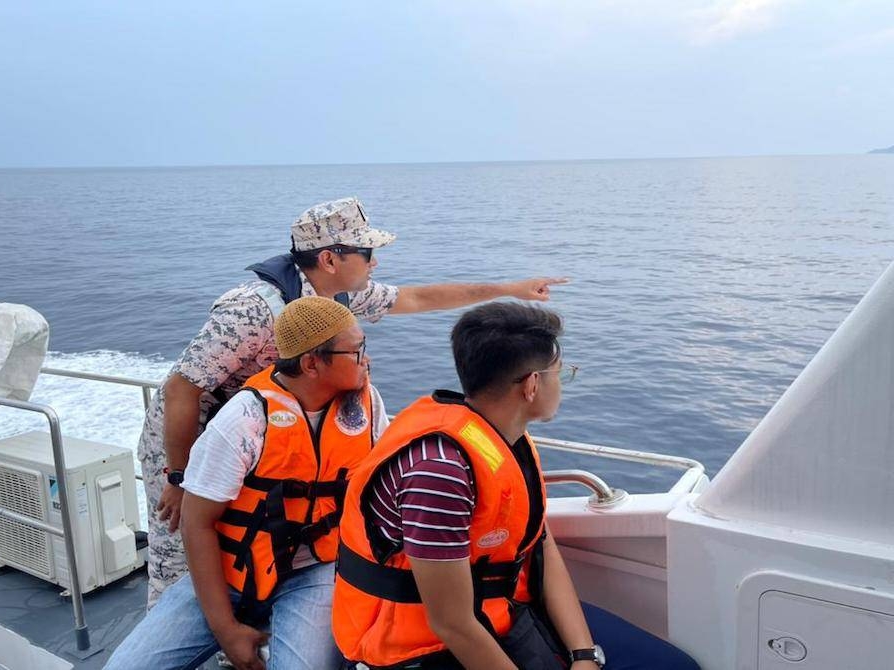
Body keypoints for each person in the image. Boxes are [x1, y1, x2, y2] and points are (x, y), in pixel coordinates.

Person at [140, 196, 567, 607]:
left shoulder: (339, 296)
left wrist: (512, 289)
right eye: (367, 251)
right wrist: (178, 476)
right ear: (329, 259)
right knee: (181, 562)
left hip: (263, 436)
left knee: (255, 542)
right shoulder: (252, 309)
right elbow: (182, 389)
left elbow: (418, 298)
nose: (375, 262)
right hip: (190, 440)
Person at [332, 303, 699, 670]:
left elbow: (539, 544)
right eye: (561, 373)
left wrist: (584, 655)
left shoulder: (505, 439)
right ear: (532, 385)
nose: (562, 383)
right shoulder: (439, 473)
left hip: (504, 614)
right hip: (420, 651)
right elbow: (452, 624)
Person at [107, 296, 388, 670]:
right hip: (232, 570)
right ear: (311, 363)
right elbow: (197, 522)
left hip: (315, 568)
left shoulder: (365, 405)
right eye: (356, 351)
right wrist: (226, 630)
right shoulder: (244, 421)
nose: (366, 359)